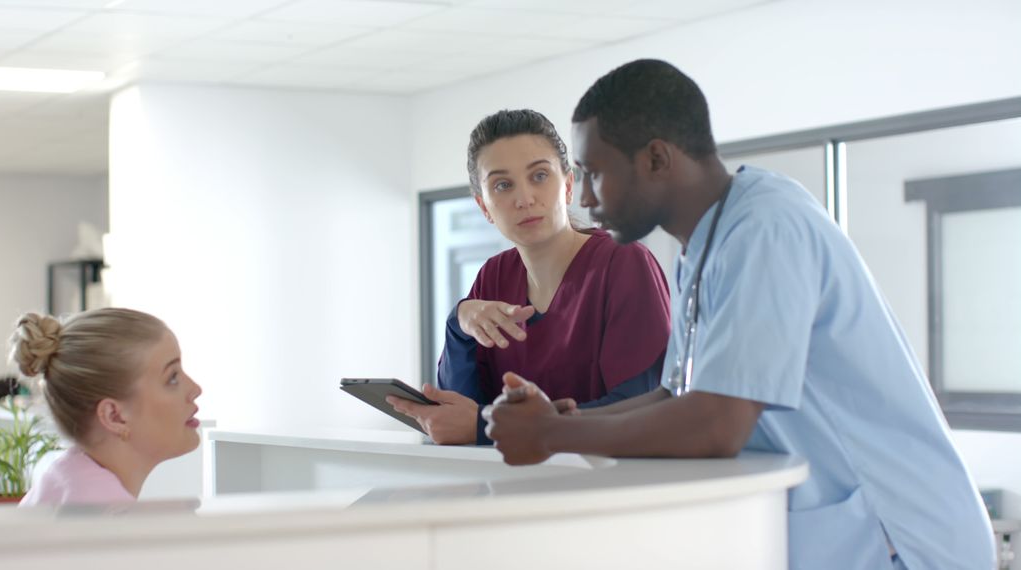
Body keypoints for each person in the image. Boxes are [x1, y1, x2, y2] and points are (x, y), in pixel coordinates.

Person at [482, 60, 995, 569]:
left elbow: (716, 424)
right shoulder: (702, 246)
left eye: (595, 173)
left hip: (907, 540)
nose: (586, 197)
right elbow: (674, 395)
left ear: (656, 159)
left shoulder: (765, 229)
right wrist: (566, 417)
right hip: (845, 539)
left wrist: (552, 436)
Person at [388, 109, 671, 445]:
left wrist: (482, 426)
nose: (524, 199)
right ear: (484, 207)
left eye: (539, 176)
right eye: (503, 185)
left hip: (605, 487)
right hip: (511, 491)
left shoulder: (623, 263)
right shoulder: (494, 277)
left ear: (567, 185)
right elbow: (459, 413)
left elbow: (638, 408)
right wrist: (459, 322)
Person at [11, 308, 202, 506]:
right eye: (172, 378)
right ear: (114, 416)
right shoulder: (105, 514)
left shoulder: (65, 480)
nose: (195, 389)